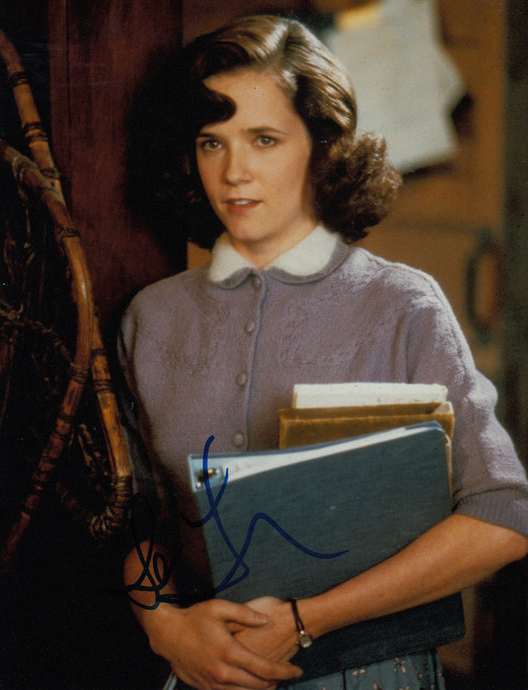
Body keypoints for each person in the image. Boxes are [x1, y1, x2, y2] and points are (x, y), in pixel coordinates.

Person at [118, 14, 528, 690]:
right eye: (211, 143)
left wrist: (308, 619)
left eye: (264, 139)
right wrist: (166, 627)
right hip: (200, 672)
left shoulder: (402, 306)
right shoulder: (151, 318)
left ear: (322, 148)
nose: (234, 172)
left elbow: (502, 516)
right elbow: (136, 515)